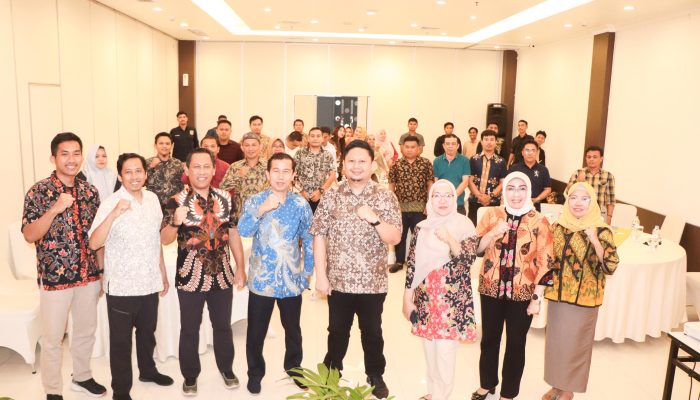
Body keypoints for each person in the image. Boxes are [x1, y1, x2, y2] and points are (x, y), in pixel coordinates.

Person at [311, 140, 402, 400]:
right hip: (338, 281)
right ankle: (331, 373)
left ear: (372, 165)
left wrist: (375, 219)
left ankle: (375, 374)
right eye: (351, 161)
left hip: (373, 282)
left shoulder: (384, 196)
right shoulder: (332, 195)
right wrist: (321, 276)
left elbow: (395, 237)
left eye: (362, 161)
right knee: (337, 331)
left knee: (372, 332)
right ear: (343, 165)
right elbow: (319, 235)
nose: (357, 166)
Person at [22, 132, 107, 400]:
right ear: (53, 158)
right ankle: (53, 390)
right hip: (54, 279)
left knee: (85, 331)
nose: (71, 159)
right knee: (53, 339)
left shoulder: (90, 192)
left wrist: (101, 272)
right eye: (65, 154)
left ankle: (82, 377)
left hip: (88, 276)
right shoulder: (39, 191)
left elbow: (98, 236)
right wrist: (54, 209)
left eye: (76, 153)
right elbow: (29, 235)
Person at [160, 148, 246, 396]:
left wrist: (240, 267)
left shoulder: (226, 197)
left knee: (223, 327)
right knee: (189, 329)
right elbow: (164, 239)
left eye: (206, 166)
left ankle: (226, 369)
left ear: (214, 169)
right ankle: (190, 375)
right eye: (196, 166)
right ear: (187, 170)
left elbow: (233, 233)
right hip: (190, 277)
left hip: (222, 274)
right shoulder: (175, 200)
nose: (201, 171)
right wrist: (175, 222)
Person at [88, 153, 173, 400]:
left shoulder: (153, 199)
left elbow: (155, 239)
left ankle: (148, 371)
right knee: (121, 342)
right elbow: (94, 243)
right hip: (122, 287)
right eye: (128, 172)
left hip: (149, 281)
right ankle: (121, 390)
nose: (134, 176)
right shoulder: (111, 203)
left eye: (138, 171)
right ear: (120, 176)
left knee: (147, 334)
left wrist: (162, 272)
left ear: (146, 174)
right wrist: (114, 213)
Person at [471, 171, 554, 400]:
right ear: (504, 191)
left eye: (521, 188)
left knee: (516, 344)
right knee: (489, 339)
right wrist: (492, 234)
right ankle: (487, 383)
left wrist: (537, 298)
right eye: (511, 188)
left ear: (529, 191)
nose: (516, 194)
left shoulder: (539, 221)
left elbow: (546, 261)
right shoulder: (492, 214)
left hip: (523, 293)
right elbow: (476, 249)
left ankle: (508, 392)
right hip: (491, 288)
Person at [237, 153, 314, 395]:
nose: (281, 176)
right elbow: (243, 230)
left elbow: (309, 239)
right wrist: (262, 210)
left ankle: (294, 368)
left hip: (291, 279)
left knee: (293, 330)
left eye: (286, 171)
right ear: (267, 174)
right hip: (262, 280)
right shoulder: (255, 200)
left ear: (293, 175)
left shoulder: (301, 204)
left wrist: (307, 272)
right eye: (276, 171)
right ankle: (255, 373)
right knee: (255, 331)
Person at [541, 182, 619, 400]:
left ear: (592, 202)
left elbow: (611, 265)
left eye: (585, 199)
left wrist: (595, 240)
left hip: (585, 299)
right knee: (556, 343)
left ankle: (568, 389)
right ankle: (556, 385)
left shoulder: (602, 230)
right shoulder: (558, 226)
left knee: (576, 345)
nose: (578, 203)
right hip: (558, 296)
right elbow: (548, 259)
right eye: (574, 198)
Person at [403, 180, 478, 400]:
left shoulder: (464, 224)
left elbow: (468, 260)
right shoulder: (422, 227)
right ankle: (434, 392)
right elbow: (412, 265)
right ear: (430, 199)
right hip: (426, 299)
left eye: (448, 195)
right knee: (430, 352)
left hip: (451, 302)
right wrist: (407, 299)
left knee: (445, 354)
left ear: (455, 198)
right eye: (437, 195)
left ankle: (441, 396)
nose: (442, 200)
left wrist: (449, 239)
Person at [388, 135, 434, 273]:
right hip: (400, 207)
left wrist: (429, 203)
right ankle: (399, 261)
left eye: (412, 147)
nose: (409, 149)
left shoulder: (426, 163)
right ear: (402, 148)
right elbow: (391, 185)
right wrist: (391, 204)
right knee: (400, 235)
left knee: (419, 236)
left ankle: (417, 261)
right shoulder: (396, 164)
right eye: (407, 147)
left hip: (420, 207)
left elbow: (430, 184)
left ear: (418, 148)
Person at [220, 132, 270, 217]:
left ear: (260, 146)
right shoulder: (235, 166)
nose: (250, 149)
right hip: (241, 215)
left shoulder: (269, 166)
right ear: (242, 147)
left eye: (254, 145)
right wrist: (237, 176)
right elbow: (223, 187)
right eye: (247, 145)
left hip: (264, 215)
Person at [566, 146, 616, 224]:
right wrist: (578, 181)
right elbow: (568, 192)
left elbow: (611, 199)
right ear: (586, 158)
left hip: (597, 215)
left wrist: (609, 217)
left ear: (601, 159)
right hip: (579, 214)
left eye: (595, 157)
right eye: (589, 157)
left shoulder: (608, 175)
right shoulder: (578, 172)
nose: (591, 159)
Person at [467, 130, 507, 225]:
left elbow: (502, 183)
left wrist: (490, 196)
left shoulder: (501, 161)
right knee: (473, 228)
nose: (489, 142)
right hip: (475, 201)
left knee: (492, 230)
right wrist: (479, 196)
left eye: (492, 139)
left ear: (496, 142)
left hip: (493, 202)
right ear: (481, 141)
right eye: (486, 139)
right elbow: (469, 181)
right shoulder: (474, 159)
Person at [294, 127, 336, 213]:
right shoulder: (300, 153)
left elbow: (332, 175)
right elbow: (293, 173)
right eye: (312, 136)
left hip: (320, 196)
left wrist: (320, 191)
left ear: (322, 139)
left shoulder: (327, 155)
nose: (315, 138)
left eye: (318, 136)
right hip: (301, 195)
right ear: (308, 138)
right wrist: (301, 190)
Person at [508, 139, 552, 212]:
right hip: (516, 206)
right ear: (522, 152)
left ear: (537, 152)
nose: (530, 153)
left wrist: (537, 199)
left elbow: (548, 189)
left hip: (536, 208)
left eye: (533, 150)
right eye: (527, 150)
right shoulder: (514, 168)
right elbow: (508, 187)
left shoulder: (543, 170)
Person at [433, 133, 471, 215]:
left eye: (453, 144)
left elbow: (465, 182)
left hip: (458, 202)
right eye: (447, 144)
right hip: (441, 204)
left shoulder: (464, 160)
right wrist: (444, 198)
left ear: (458, 146)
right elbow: (436, 182)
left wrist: (452, 197)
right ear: (443, 146)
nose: (450, 146)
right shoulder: (437, 161)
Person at [146, 132, 185, 209]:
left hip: (174, 206)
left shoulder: (178, 163)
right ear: (155, 145)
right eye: (161, 143)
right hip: (153, 206)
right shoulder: (147, 162)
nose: (164, 146)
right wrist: (150, 167)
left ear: (172, 146)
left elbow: (183, 184)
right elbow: (141, 182)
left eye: (167, 143)